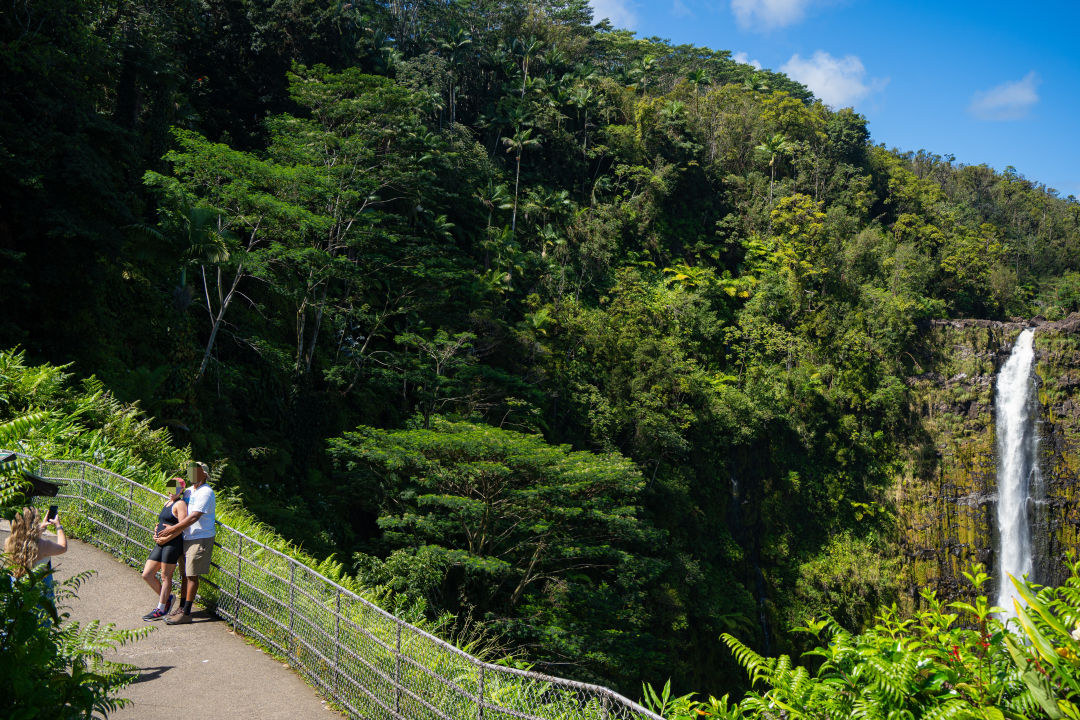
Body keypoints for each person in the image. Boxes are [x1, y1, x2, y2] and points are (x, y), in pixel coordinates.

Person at [153, 461, 215, 625]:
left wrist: (171, 531)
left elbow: (194, 517)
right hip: (186, 537)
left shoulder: (206, 492)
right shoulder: (188, 491)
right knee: (184, 575)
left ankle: (187, 613)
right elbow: (179, 510)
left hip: (200, 537)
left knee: (192, 575)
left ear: (204, 474)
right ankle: (181, 608)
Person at [140, 481, 187, 620]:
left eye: (176, 488)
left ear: (181, 490)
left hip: (172, 545)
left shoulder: (180, 504)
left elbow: (182, 526)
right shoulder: (167, 503)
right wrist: (157, 530)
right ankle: (167, 600)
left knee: (165, 576)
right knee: (147, 574)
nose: (172, 491)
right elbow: (162, 521)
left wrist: (166, 539)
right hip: (160, 543)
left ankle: (161, 609)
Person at [4, 506, 67, 599]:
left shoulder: (9, 542)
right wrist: (58, 526)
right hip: (39, 592)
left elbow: (27, 540)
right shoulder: (44, 545)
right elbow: (63, 547)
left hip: (16, 587)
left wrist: (41, 528)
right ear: (34, 523)